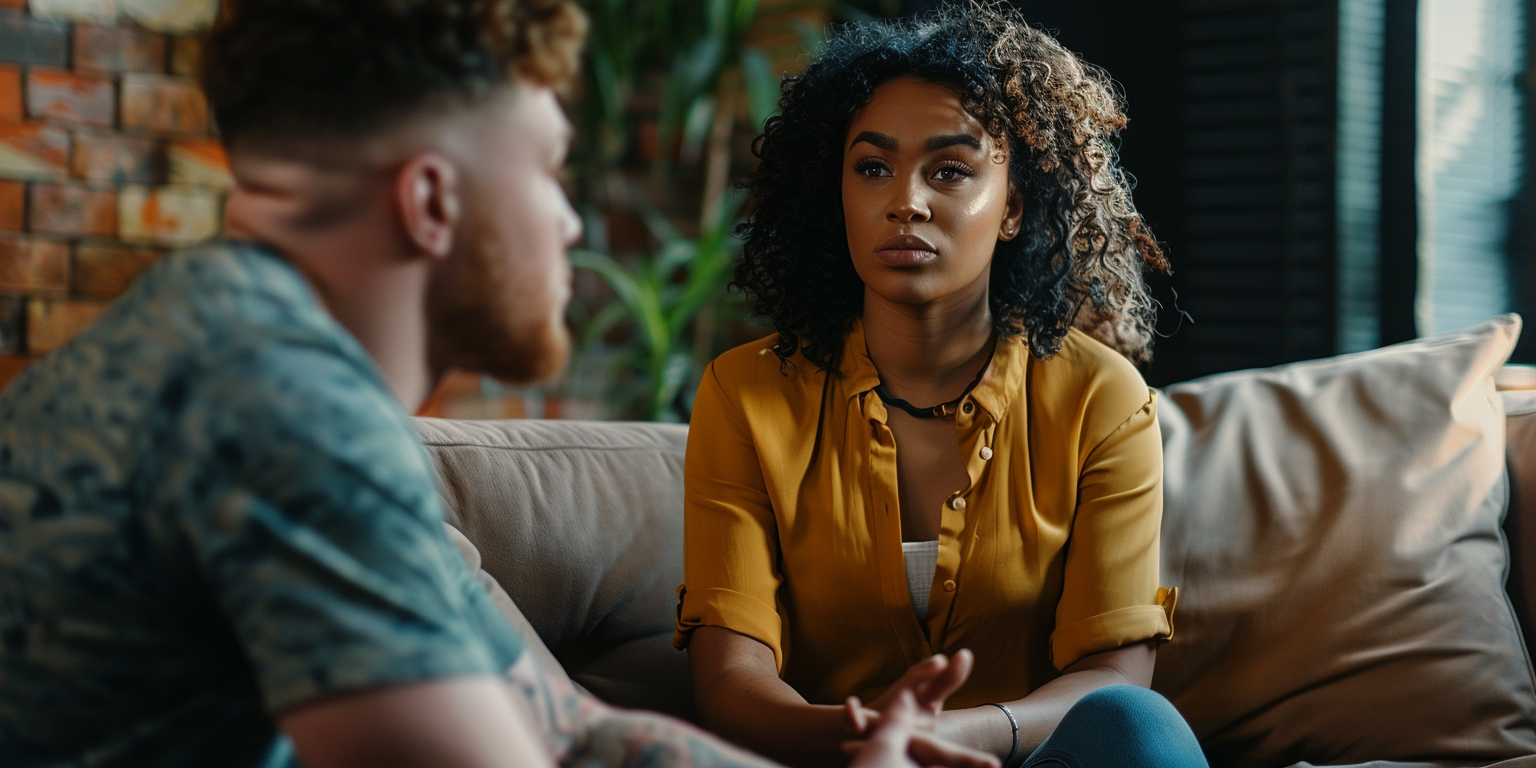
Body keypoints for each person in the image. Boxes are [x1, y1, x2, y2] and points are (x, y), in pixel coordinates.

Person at [0, 1, 999, 767]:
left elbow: (569, 730)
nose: (570, 224)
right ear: (433, 200)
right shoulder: (270, 408)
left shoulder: (247, 355)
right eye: (551, 170)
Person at [675, 5, 1209, 768]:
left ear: (1015, 208)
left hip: (1019, 760)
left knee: (1138, 728)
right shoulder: (745, 394)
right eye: (872, 167)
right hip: (835, 761)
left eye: (950, 169)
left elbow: (1115, 679)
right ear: (841, 198)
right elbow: (731, 680)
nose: (906, 201)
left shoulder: (1101, 399)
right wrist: (872, 741)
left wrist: (947, 735)